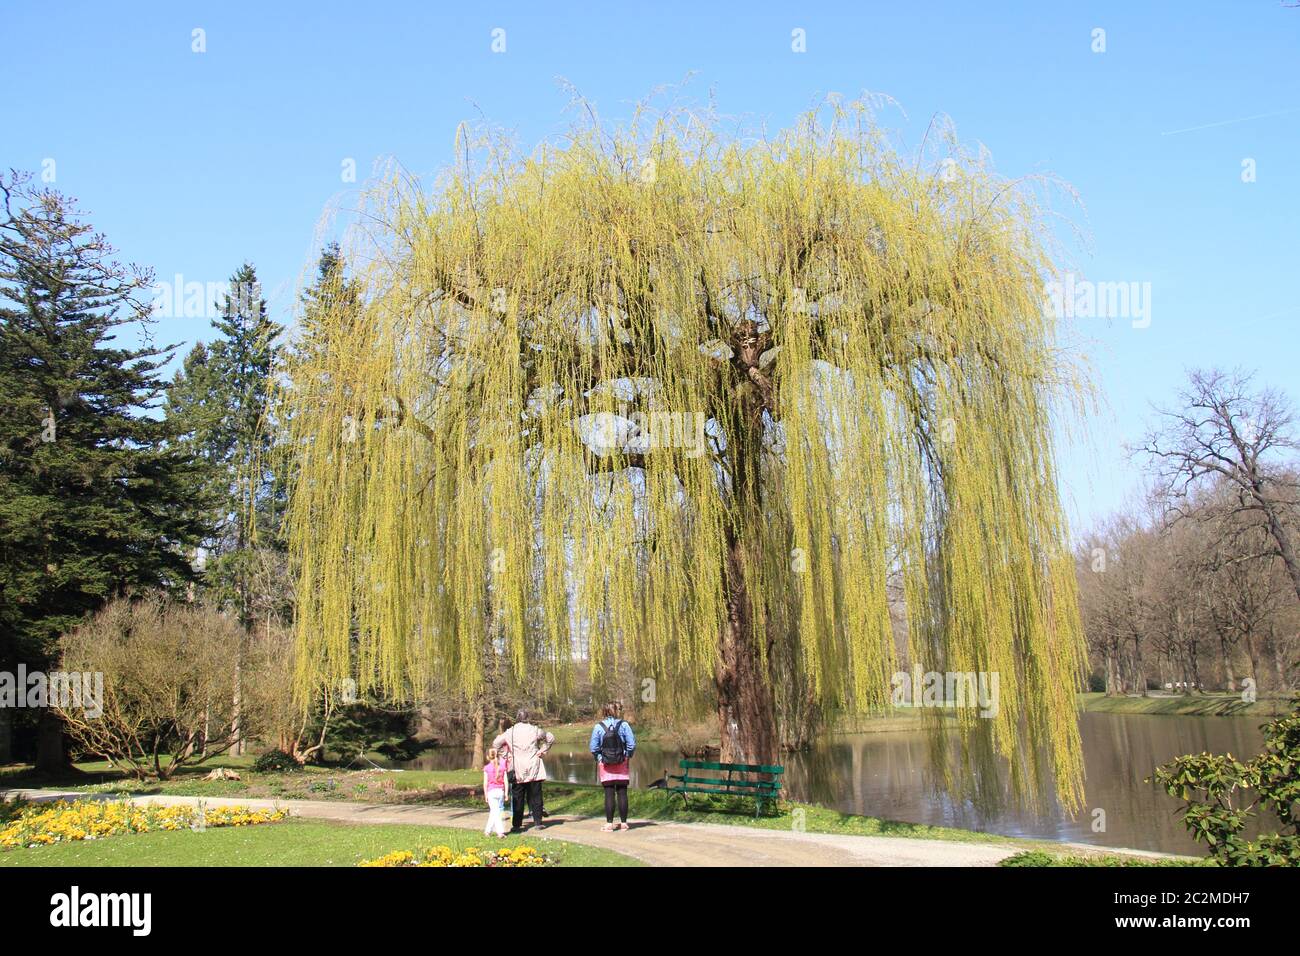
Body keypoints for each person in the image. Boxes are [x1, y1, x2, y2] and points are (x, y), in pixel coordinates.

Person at [492, 709, 555, 832]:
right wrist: (543, 750)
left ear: (517, 718)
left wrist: (506, 754)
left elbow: (496, 743)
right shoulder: (535, 730)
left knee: (518, 796)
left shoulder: (510, 732)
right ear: (527, 718)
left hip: (517, 767)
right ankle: (538, 822)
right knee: (536, 795)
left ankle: (516, 824)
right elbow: (550, 738)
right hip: (534, 766)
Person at [589, 701, 636, 831]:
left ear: (604, 711)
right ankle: (624, 823)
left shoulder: (598, 727)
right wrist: (627, 756)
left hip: (605, 764)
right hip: (622, 762)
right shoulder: (624, 725)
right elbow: (631, 744)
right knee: (622, 792)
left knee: (609, 793)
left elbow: (593, 747)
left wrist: (599, 758)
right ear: (617, 711)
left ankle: (609, 824)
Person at [482, 747, 508, 838]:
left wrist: (485, 794)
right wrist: (506, 793)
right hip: (500, 791)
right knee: (494, 812)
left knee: (495, 812)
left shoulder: (486, 768)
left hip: (491, 791)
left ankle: (500, 832)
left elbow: (485, 783)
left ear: (488, 757)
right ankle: (487, 831)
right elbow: (505, 781)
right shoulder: (502, 767)